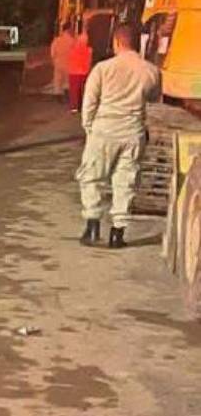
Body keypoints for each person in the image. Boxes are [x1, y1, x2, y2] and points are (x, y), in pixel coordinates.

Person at [77, 24, 162, 248]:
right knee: (125, 181)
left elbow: (89, 102)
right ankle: (118, 233)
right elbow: (153, 98)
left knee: (92, 177)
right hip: (133, 132)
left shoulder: (103, 69)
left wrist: (89, 128)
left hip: (104, 130)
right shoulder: (151, 71)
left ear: (116, 42)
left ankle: (93, 226)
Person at [68, 29, 93, 112]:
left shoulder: (73, 49)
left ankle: (74, 107)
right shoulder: (89, 50)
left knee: (74, 90)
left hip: (74, 72)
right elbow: (89, 61)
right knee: (84, 90)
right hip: (84, 72)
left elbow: (70, 59)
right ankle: (84, 106)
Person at [51, 22, 75, 99]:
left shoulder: (57, 40)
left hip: (58, 62)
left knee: (58, 79)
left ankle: (58, 95)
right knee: (67, 80)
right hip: (68, 62)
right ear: (68, 29)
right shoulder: (72, 41)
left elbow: (52, 52)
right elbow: (75, 52)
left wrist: (54, 60)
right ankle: (67, 95)